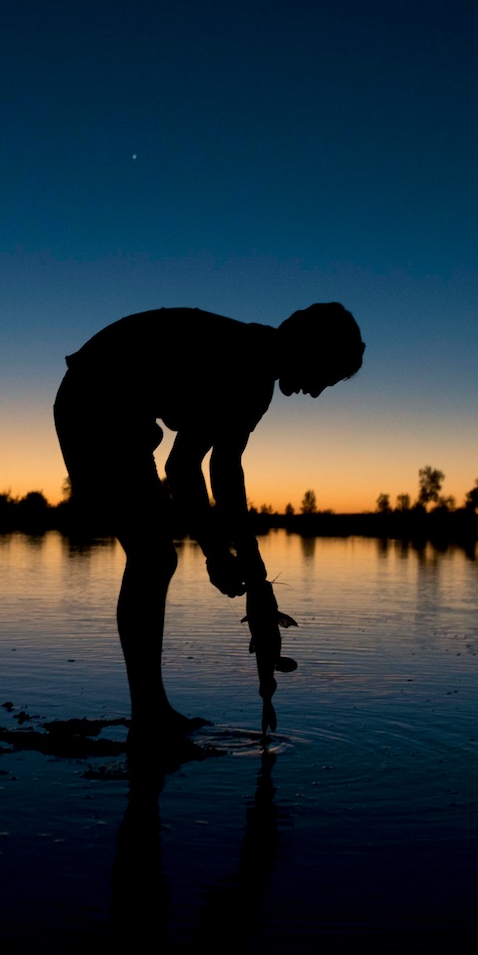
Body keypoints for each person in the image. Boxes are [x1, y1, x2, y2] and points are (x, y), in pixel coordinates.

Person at [54, 303, 364, 746]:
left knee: (154, 556)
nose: (315, 393)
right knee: (154, 555)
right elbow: (182, 468)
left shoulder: (258, 377)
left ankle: (150, 712)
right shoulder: (247, 364)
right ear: (309, 346)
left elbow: (224, 472)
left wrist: (254, 573)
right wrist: (216, 552)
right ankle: (149, 716)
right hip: (95, 399)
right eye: (324, 376)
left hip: (120, 408)